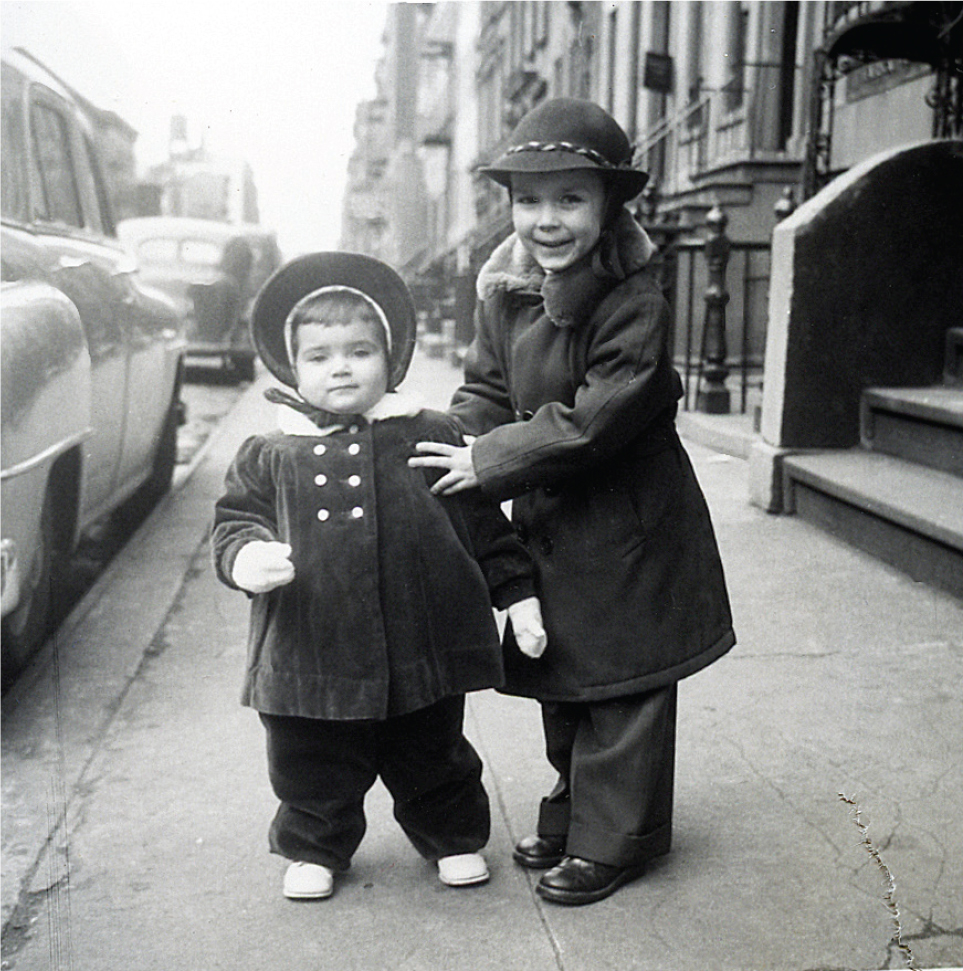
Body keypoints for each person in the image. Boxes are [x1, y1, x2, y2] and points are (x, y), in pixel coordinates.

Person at [409, 99, 735, 906]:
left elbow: (596, 419)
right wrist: (453, 440)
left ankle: (615, 838)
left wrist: (488, 460)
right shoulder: (508, 290)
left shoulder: (632, 297)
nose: (544, 220)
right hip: (554, 517)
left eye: (568, 200)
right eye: (527, 200)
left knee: (624, 680)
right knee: (565, 673)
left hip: (630, 519)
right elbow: (486, 387)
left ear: (608, 205)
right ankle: (574, 807)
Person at [212, 252, 546, 901]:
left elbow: (480, 522)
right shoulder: (270, 451)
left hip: (420, 639)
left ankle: (451, 835)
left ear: (389, 358)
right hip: (309, 644)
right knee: (310, 757)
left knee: (432, 748)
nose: (340, 365)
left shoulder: (426, 432)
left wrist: (518, 595)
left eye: (359, 350)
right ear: (291, 366)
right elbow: (234, 519)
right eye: (319, 355)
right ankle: (313, 845)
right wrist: (246, 556)